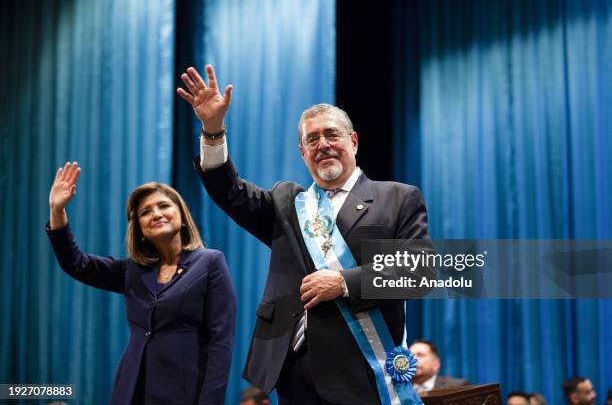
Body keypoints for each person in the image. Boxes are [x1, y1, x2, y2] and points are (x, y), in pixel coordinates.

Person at [177, 65, 434, 404]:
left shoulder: (398, 197)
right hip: (291, 369)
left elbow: (418, 273)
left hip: (360, 371)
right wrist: (212, 131)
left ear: (353, 141)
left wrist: (343, 283)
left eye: (332, 135)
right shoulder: (287, 203)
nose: (322, 145)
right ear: (302, 153)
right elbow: (229, 191)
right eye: (312, 139)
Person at [46, 162, 236, 404]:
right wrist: (56, 210)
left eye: (164, 206)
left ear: (182, 216)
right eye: (146, 211)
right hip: (131, 392)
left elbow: (221, 342)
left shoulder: (210, 263)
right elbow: (77, 264)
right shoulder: (134, 271)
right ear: (140, 229)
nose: (156, 214)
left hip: (184, 394)